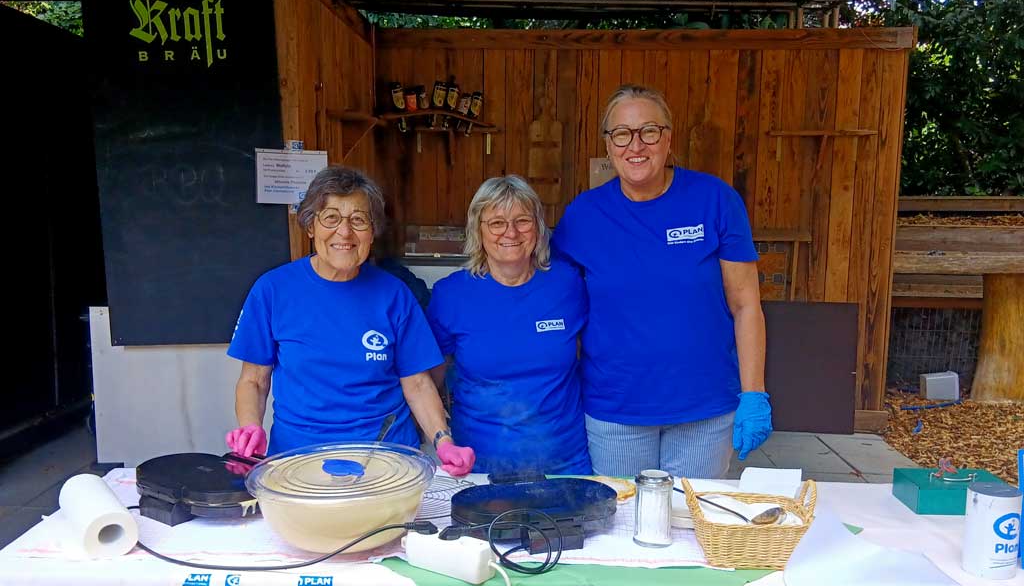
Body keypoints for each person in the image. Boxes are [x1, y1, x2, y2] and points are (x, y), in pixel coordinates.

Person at [551, 84, 772, 479]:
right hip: (616, 410)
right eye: (622, 133)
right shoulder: (583, 216)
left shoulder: (715, 201)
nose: (635, 145)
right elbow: (555, 301)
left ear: (668, 138)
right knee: (621, 527)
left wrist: (753, 392)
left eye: (648, 131)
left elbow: (745, 305)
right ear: (608, 145)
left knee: (690, 526)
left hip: (704, 409)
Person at [224, 165, 475, 476]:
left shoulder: (394, 295)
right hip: (298, 461)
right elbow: (253, 380)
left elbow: (418, 383)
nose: (344, 232)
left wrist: (443, 441)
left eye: (358, 220)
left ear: (372, 232)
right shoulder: (273, 290)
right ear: (310, 226)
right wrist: (251, 427)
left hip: (386, 459)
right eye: (331, 217)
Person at [427, 175, 592, 476]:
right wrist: (440, 441)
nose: (511, 232)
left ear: (538, 227)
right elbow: (428, 381)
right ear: (479, 229)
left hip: (565, 466)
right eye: (497, 223)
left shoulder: (567, 284)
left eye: (522, 221)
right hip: (481, 469)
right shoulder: (451, 295)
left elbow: (589, 355)